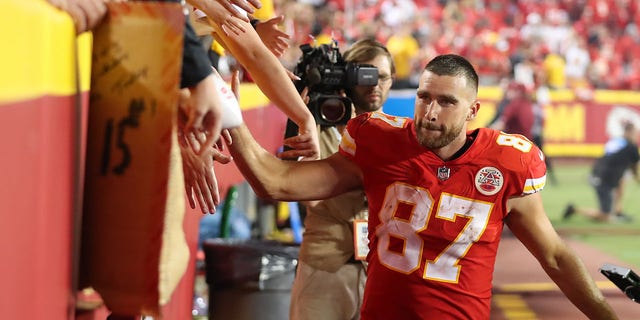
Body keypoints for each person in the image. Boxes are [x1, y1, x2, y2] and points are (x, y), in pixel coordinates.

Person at [224, 54, 618, 319]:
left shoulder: (508, 162)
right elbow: (276, 183)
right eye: (423, 97)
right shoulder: (379, 140)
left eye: (446, 101)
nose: (429, 113)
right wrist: (230, 116)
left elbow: (553, 257)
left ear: (473, 110)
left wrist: (605, 314)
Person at [289, 39, 395, 320]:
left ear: (392, 81)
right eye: (365, 74)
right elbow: (289, 179)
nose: (374, 84)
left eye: (382, 76)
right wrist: (298, 111)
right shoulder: (316, 128)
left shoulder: (398, 137)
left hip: (380, 270)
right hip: (324, 265)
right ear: (348, 76)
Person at [564, 122, 640, 222]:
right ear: (628, 132)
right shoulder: (631, 148)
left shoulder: (617, 142)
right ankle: (574, 210)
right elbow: (635, 169)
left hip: (599, 174)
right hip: (602, 179)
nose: (636, 136)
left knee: (622, 181)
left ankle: (618, 212)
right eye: (634, 133)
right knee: (605, 216)